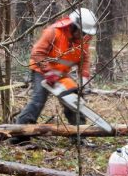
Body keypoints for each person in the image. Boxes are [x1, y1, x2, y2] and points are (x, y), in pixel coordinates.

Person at [12, 8, 98, 145]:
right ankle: (19, 134)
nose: (83, 35)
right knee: (38, 99)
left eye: (85, 33)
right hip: (41, 70)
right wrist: (48, 71)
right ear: (74, 26)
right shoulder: (53, 32)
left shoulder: (84, 40)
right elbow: (37, 53)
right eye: (82, 32)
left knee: (74, 99)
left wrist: (84, 78)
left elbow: (84, 60)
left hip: (62, 74)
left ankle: (79, 135)